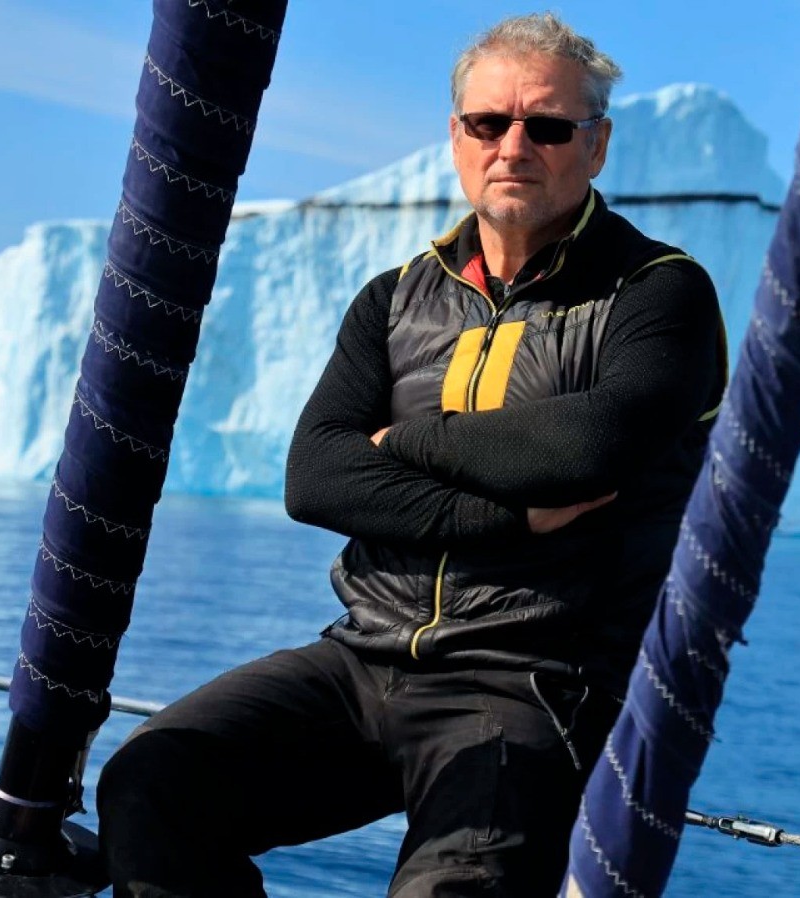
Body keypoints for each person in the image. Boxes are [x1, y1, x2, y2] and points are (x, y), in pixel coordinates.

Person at [96, 13, 726, 897]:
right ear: (457, 137)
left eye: (548, 127)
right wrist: (507, 514)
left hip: (533, 680)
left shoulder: (657, 294)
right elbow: (316, 476)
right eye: (488, 123)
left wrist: (403, 442)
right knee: (152, 782)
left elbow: (592, 448)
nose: (514, 146)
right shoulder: (395, 298)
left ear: (597, 145)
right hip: (365, 656)